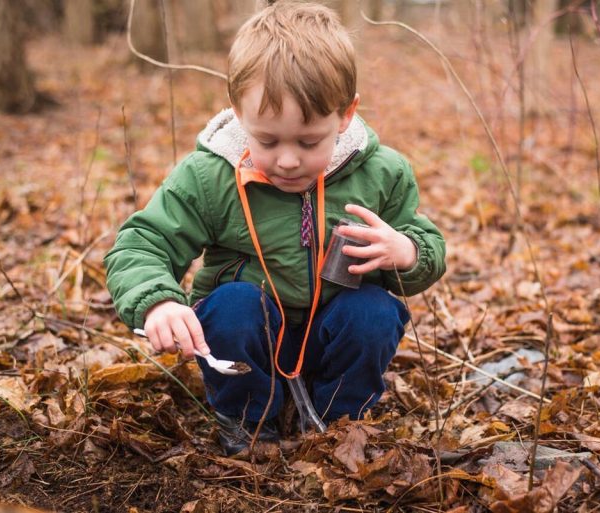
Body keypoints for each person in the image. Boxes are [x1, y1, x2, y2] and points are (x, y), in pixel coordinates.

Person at [104, 0, 445, 455]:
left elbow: (426, 242)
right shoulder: (210, 176)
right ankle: (249, 424)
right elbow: (141, 244)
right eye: (266, 140)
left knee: (373, 311)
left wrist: (405, 251)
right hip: (247, 346)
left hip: (332, 340)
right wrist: (158, 301)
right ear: (238, 113)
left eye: (308, 142)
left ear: (344, 115)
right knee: (232, 305)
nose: (287, 160)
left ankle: (338, 427)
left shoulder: (381, 173)